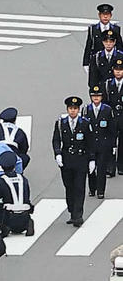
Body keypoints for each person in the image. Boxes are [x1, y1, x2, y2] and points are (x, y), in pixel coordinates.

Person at [53, 95, 93, 228]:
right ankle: (72, 212)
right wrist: (58, 153)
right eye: (71, 108)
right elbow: (56, 140)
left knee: (79, 188)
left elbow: (90, 142)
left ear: (78, 110)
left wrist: (92, 159)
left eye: (75, 108)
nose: (73, 111)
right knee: (69, 187)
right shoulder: (61, 123)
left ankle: (78, 215)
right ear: (67, 109)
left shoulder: (85, 123)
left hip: (81, 160)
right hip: (66, 161)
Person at [0, 152, 33, 236]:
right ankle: (28, 223)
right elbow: (27, 196)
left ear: (1, 166)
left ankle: (3, 226)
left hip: (8, 218)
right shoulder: (23, 179)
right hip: (25, 216)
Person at [86, 87, 116, 194]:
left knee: (102, 168)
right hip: (90, 144)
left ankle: (100, 191)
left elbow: (112, 128)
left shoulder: (107, 110)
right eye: (94, 96)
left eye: (98, 96)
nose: (96, 98)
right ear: (91, 97)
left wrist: (113, 145)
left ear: (101, 97)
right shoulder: (86, 110)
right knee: (91, 168)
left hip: (104, 144)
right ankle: (92, 188)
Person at [84, 2, 123, 73]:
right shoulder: (93, 29)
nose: (105, 17)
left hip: (111, 61)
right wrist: (86, 63)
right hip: (97, 62)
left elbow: (119, 46)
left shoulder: (115, 29)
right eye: (103, 14)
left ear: (111, 15)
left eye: (107, 14)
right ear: (99, 15)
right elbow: (88, 46)